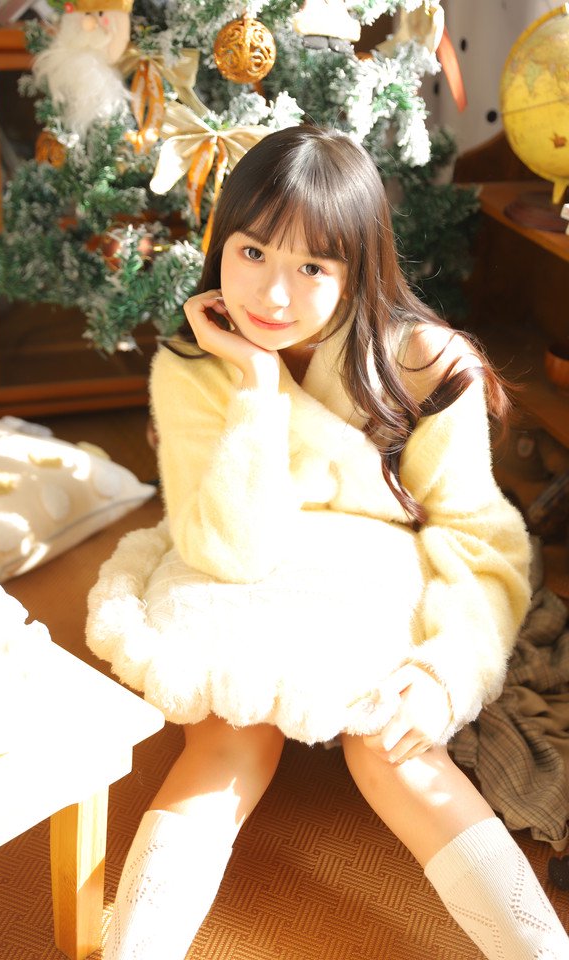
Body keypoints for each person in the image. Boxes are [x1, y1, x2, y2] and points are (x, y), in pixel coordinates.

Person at [86, 125, 569, 959]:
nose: (272, 294)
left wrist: (447, 673)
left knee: (395, 747)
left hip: (371, 575)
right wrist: (255, 386)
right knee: (229, 734)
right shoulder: (194, 362)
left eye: (313, 266)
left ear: (359, 267)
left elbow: (479, 538)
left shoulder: (426, 362)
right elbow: (228, 549)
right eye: (252, 252)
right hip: (231, 564)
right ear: (221, 245)